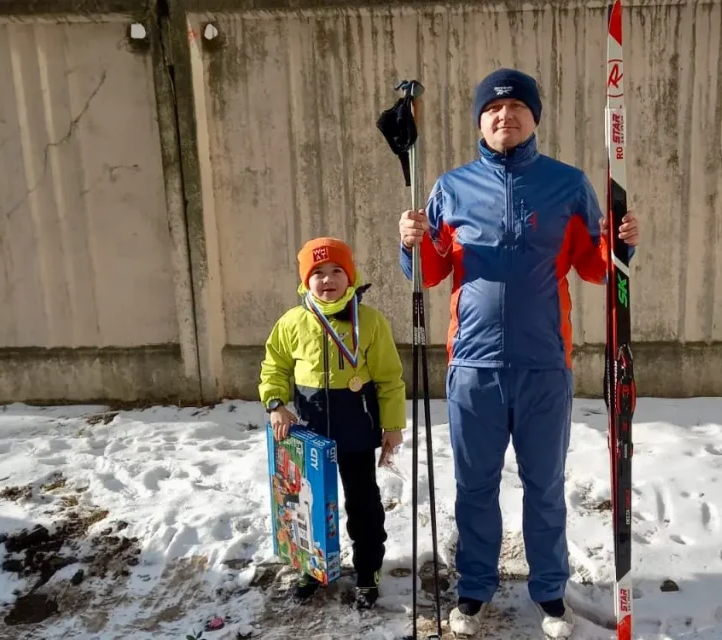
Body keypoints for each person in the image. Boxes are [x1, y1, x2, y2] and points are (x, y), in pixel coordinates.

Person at [397, 68, 640, 638]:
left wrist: (622, 244)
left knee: (545, 485)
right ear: (480, 120)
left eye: (516, 108)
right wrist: (411, 243)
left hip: (544, 367)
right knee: (475, 487)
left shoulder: (567, 185)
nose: (505, 116)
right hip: (473, 370)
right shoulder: (450, 188)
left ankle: (550, 593)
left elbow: (595, 267)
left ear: (534, 117)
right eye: (493, 109)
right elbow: (429, 273)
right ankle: (475, 589)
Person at [259, 236, 407, 610]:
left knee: (363, 505)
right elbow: (274, 365)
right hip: (308, 436)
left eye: (336, 271)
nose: (327, 280)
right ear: (305, 281)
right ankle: (311, 566)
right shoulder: (292, 322)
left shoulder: (370, 322)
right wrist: (276, 403)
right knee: (306, 505)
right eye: (318, 273)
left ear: (350, 276)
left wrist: (391, 426)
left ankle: (368, 570)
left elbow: (390, 379)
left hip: (355, 432)